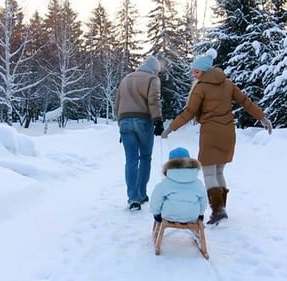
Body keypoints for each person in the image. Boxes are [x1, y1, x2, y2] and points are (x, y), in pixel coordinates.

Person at [161, 48, 273, 224]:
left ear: (205, 71)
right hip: (228, 132)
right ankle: (221, 209)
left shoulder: (201, 88)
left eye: (196, 71)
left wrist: (170, 128)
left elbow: (190, 111)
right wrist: (262, 118)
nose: (194, 75)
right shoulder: (228, 84)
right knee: (219, 170)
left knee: (208, 172)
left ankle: (218, 210)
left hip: (211, 133)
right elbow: (245, 101)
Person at [115, 55, 165, 211]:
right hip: (143, 121)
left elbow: (117, 104)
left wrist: (121, 124)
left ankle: (133, 198)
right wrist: (157, 120)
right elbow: (154, 99)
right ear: (154, 69)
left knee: (131, 160)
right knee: (144, 157)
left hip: (124, 122)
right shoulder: (152, 79)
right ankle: (142, 194)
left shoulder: (126, 79)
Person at [150, 147, 208, 223]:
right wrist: (200, 213)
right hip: (192, 215)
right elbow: (203, 200)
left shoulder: (166, 183)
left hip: (169, 215)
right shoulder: (197, 183)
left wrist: (156, 213)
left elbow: (156, 199)